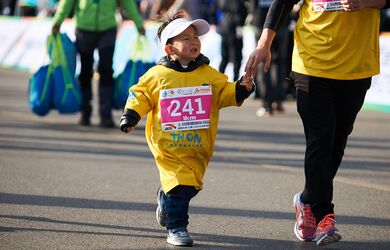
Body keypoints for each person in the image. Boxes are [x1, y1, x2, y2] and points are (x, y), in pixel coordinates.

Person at [245, 0, 390, 247]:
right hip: (311, 63)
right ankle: (325, 217)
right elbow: (281, 3)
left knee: (336, 142)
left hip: (356, 65)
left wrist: (366, 2)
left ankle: (305, 200)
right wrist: (264, 44)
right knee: (320, 138)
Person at [119, 13, 254, 246]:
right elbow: (139, 94)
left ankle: (165, 200)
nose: (194, 42)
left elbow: (225, 93)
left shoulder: (208, 75)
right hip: (168, 147)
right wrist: (131, 116)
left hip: (198, 147)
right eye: (186, 38)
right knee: (179, 187)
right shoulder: (157, 75)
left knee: (189, 187)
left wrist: (241, 88)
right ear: (170, 49)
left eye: (196, 37)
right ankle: (177, 227)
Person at [52, 0, 145, 128]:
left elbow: (128, 3)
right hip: (83, 29)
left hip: (108, 29)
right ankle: (85, 112)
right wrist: (57, 21)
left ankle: (106, 115)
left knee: (106, 71)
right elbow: (66, 2)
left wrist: (139, 24)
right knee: (85, 71)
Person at [216, 0, 248, 81]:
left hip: (225, 27)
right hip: (234, 29)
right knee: (235, 58)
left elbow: (212, 10)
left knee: (226, 58)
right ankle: (231, 81)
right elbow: (243, 11)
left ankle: (221, 81)